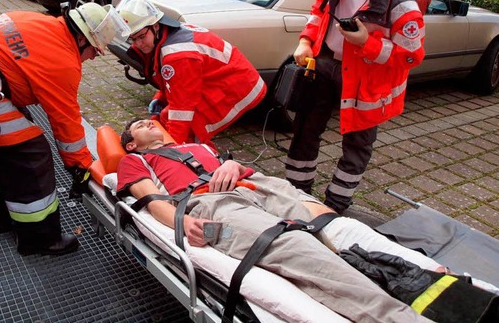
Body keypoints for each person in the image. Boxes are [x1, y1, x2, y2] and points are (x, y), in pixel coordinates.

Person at [116, 118, 433, 323]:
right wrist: (181, 224)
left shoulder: (196, 145)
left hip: (260, 187)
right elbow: (151, 199)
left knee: (324, 233)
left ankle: (395, 279)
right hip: (213, 204)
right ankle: (398, 318)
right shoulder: (134, 160)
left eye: (152, 120)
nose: (151, 123)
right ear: (132, 143)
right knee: (295, 248)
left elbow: (233, 166)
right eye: (142, 125)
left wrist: (233, 167)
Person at [0, 3, 131, 256]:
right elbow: (65, 122)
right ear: (81, 38)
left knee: (4, 151)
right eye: (93, 52)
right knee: (31, 155)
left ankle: (4, 217)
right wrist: (80, 167)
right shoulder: (63, 61)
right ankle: (39, 238)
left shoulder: (35, 20)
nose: (91, 58)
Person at [285, 0, 425, 213]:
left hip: (366, 82)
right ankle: (295, 195)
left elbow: (411, 56)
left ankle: (334, 207)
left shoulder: (402, 4)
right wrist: (305, 41)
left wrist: (367, 43)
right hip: (324, 65)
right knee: (305, 129)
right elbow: (319, 8)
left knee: (358, 145)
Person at [117, 0, 266, 146]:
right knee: (167, 117)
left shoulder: (177, 55)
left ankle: (201, 160)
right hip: (224, 77)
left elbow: (182, 109)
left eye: (142, 36)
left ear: (155, 25)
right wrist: (161, 97)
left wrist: (175, 148)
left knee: (191, 129)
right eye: (132, 39)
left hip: (238, 87)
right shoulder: (169, 32)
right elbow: (177, 83)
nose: (138, 44)